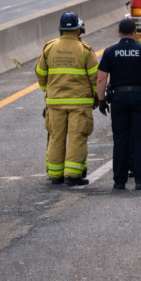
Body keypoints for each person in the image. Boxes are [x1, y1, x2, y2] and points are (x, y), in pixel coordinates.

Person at [97, 17, 141, 190]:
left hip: (118, 99)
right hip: (140, 99)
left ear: (119, 32)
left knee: (120, 139)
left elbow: (102, 78)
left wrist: (101, 100)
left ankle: (119, 180)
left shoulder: (110, 51)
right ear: (136, 33)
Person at [36, 12, 99, 186]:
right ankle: (72, 175)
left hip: (55, 102)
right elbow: (96, 78)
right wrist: (97, 98)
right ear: (79, 29)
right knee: (77, 136)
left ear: (60, 29)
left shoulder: (49, 47)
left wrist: (48, 91)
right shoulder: (85, 50)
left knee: (56, 136)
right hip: (80, 103)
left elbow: (41, 73)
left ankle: (55, 175)